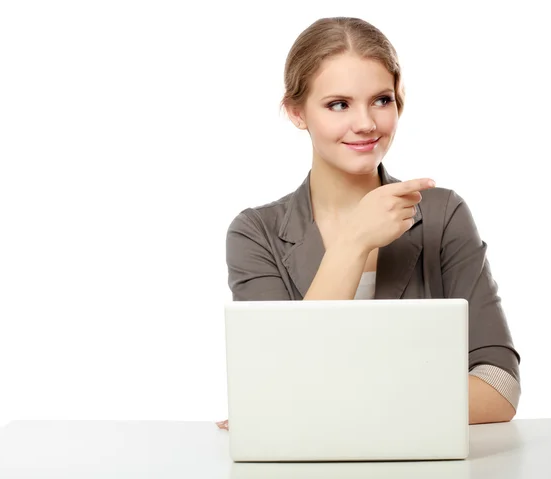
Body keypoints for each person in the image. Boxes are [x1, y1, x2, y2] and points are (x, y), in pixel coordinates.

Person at [216, 16, 520, 431]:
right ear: (295, 112)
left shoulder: (443, 216)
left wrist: (321, 404)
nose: (366, 123)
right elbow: (277, 384)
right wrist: (354, 242)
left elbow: (499, 386)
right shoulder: (256, 234)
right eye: (338, 104)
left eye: (381, 100)